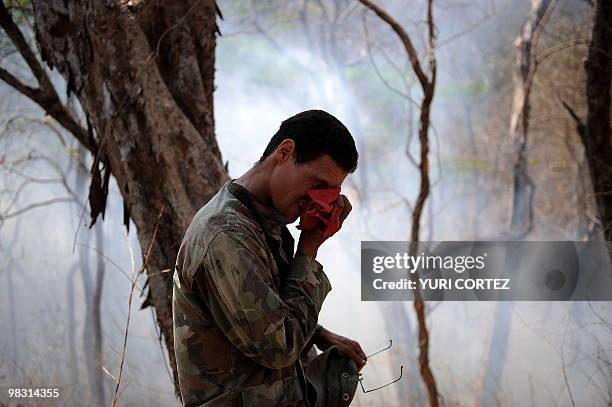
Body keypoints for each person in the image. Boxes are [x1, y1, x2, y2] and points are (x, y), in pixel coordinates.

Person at [173, 110, 366, 406]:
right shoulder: (226, 233)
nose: (319, 203)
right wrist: (309, 247)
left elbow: (260, 310)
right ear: (285, 152)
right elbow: (279, 347)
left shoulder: (264, 221)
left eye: (329, 195)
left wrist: (316, 333)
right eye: (317, 186)